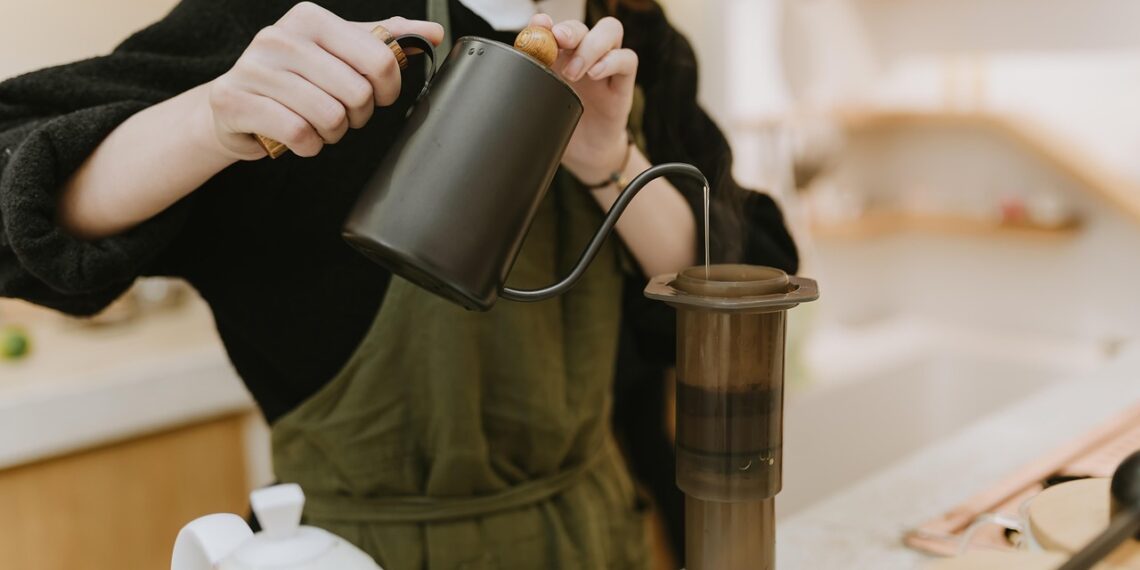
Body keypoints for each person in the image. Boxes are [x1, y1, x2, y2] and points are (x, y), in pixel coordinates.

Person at [0, 0, 797, 567]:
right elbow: (18, 186)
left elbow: (734, 282)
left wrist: (607, 161)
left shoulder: (641, 38)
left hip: (594, 538)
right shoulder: (302, 21)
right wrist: (210, 119)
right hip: (348, 553)